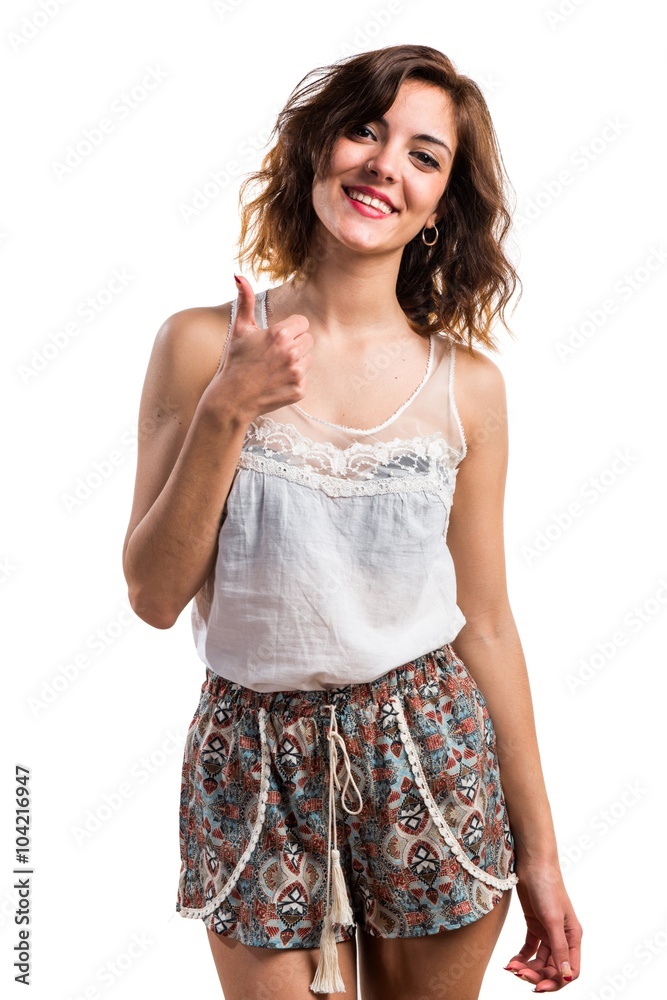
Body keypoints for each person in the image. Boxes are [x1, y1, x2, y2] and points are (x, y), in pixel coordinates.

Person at [122, 44, 582, 999]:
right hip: (250, 756)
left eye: (423, 154)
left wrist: (542, 856)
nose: (383, 165)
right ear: (316, 147)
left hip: (428, 750)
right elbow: (155, 595)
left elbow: (487, 622)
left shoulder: (467, 388)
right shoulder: (200, 345)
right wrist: (229, 407)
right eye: (364, 130)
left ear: (439, 206)